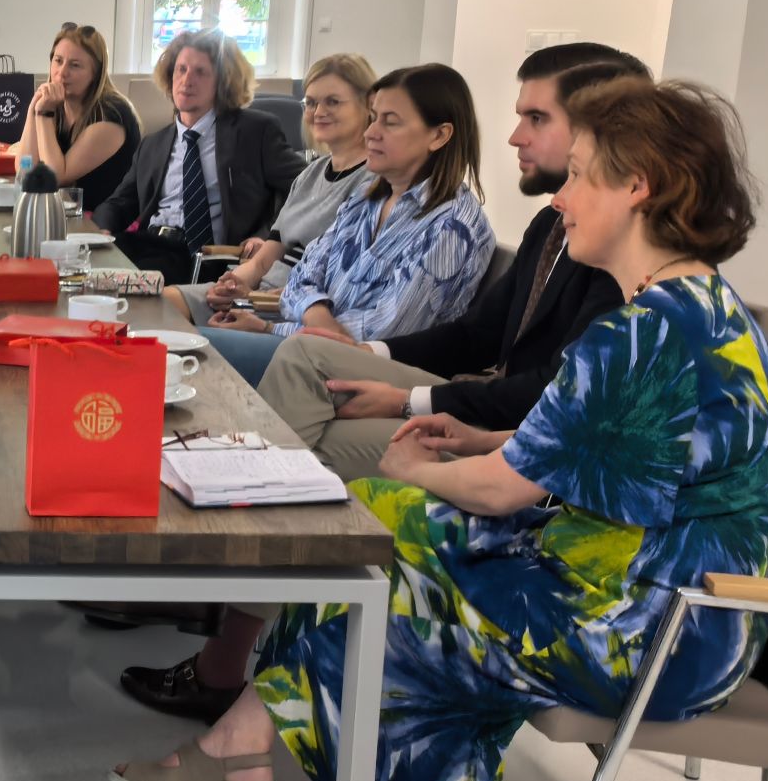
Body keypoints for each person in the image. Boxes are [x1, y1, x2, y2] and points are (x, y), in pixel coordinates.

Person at [109, 77, 768, 781]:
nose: (562, 198)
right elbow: (612, 450)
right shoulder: (698, 308)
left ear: (636, 187)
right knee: (383, 522)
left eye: (579, 176)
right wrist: (481, 439)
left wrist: (417, 466)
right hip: (674, 598)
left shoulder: (639, 334)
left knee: (389, 547)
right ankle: (277, 766)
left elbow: (500, 494)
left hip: (655, 629)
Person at [251, 45, 646, 482]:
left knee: (305, 398)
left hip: (528, 446)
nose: (515, 137)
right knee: (306, 397)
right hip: (494, 410)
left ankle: (244, 495)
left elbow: (558, 393)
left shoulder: (620, 255)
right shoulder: (549, 224)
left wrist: (412, 400)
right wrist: (371, 354)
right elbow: (476, 335)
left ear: (597, 130)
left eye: (537, 118)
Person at [190, 62, 494, 387]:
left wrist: (270, 329)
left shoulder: (450, 226)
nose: (370, 132)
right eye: (373, 117)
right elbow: (302, 277)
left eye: (390, 122)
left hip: (369, 376)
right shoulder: (367, 199)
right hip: (311, 346)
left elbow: (378, 337)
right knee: (176, 339)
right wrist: (315, 314)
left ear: (439, 135)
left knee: (188, 353)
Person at [166, 52, 377, 324]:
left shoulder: (372, 182)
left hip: (294, 307)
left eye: (333, 102)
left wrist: (253, 300)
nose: (318, 112)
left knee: (180, 333)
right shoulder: (309, 174)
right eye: (311, 103)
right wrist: (231, 285)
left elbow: (337, 284)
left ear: (368, 105)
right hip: (258, 294)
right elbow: (263, 261)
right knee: (160, 303)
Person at [90, 28, 304, 285]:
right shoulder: (153, 144)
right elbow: (120, 203)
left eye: (200, 72)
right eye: (181, 69)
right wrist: (99, 230)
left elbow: (305, 185)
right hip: (150, 244)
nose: (186, 80)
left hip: (207, 256)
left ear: (222, 82)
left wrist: (267, 237)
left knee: (117, 282)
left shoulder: (254, 131)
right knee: (82, 267)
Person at [11, 23, 142, 214]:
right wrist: (34, 107)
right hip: (68, 215)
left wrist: (44, 114)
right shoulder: (55, 105)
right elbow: (25, 170)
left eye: (75, 65)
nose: (62, 72)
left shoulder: (111, 114)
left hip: (104, 223)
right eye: (58, 61)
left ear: (95, 73)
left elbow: (56, 177)